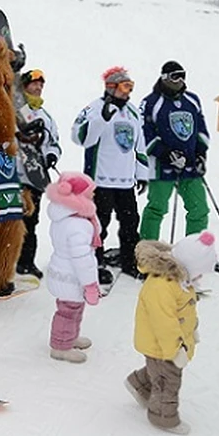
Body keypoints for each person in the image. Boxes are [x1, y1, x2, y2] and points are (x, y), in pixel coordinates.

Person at [125, 232, 218, 435]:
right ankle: (162, 417)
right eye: (200, 272)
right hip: (161, 344)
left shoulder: (179, 280)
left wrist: (192, 332)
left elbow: (183, 312)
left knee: (159, 371)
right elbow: (164, 323)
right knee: (168, 379)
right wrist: (175, 350)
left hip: (168, 342)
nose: (200, 278)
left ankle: (138, 384)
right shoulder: (162, 286)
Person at [71, 66, 149, 280]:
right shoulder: (94, 108)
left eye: (130, 86)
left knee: (130, 223)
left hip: (125, 181)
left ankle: (129, 261)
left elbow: (140, 145)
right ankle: (92, 262)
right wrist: (101, 120)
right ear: (111, 87)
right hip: (100, 179)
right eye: (125, 86)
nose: (128, 92)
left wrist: (142, 173)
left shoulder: (133, 111)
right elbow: (80, 138)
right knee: (98, 224)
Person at [139, 61, 211, 241]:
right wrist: (165, 153)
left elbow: (200, 129)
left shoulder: (192, 100)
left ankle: (194, 250)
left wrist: (201, 154)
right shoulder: (151, 102)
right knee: (157, 208)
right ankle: (147, 250)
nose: (180, 80)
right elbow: (144, 133)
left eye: (183, 76)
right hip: (162, 167)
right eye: (175, 76)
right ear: (164, 77)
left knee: (199, 208)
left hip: (190, 165)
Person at [44, 172, 101, 364]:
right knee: (68, 310)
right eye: (90, 193)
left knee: (74, 308)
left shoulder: (66, 216)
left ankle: (69, 337)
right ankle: (60, 346)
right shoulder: (77, 225)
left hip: (66, 272)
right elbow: (81, 258)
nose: (93, 196)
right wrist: (90, 284)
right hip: (71, 275)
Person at [14, 68, 62, 280]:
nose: (39, 87)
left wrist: (52, 155)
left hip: (36, 175)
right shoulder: (16, 109)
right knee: (10, 221)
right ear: (24, 87)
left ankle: (25, 262)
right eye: (34, 83)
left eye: (41, 84)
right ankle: (3, 263)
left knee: (30, 222)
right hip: (15, 174)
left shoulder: (47, 116)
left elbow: (54, 143)